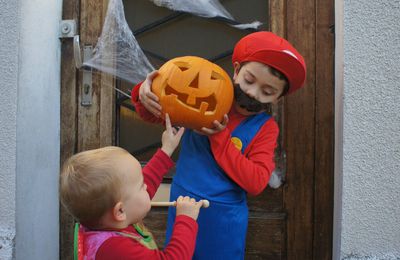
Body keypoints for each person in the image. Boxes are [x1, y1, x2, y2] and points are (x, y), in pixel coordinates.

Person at [130, 31, 306, 259]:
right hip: (183, 205)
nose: (253, 93)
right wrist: (145, 94)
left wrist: (220, 138)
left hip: (224, 220)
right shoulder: (206, 95)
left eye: (268, 92)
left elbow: (256, 181)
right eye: (249, 80)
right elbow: (159, 115)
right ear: (236, 70)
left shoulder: (265, 127)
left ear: (277, 98)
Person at [60, 115, 207, 259]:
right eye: (141, 186)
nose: (146, 187)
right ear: (120, 210)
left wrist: (166, 150)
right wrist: (185, 220)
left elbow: (138, 190)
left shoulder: (105, 219)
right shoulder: (115, 250)